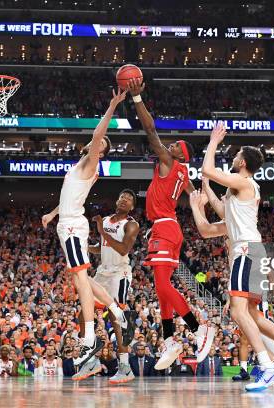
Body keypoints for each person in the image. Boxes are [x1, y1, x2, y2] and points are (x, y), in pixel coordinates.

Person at [191, 122, 274, 392]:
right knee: (249, 313)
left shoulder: (244, 182)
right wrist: (204, 193)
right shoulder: (238, 192)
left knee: (237, 310)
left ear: (242, 162)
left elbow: (208, 169)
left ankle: (269, 367)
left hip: (246, 251)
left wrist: (213, 142)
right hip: (250, 251)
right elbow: (222, 213)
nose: (232, 158)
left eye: (235, 156)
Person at [127, 77, 215, 371]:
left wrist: (137, 99)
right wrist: (202, 199)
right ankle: (168, 340)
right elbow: (194, 194)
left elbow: (150, 130)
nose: (171, 144)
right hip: (167, 227)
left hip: (165, 227)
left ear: (180, 155)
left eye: (175, 145)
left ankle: (197, 327)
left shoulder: (169, 163)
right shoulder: (183, 177)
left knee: (163, 286)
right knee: (160, 287)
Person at [41, 88, 130, 380]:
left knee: (80, 279)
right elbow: (69, 197)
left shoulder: (91, 161)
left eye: (100, 144)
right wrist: (52, 214)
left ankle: (90, 335)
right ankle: (116, 310)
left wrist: (112, 106)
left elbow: (98, 133)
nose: (95, 143)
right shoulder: (78, 167)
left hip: (72, 225)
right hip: (66, 221)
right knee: (86, 280)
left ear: (100, 151)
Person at [88, 189, 140, 384]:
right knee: (85, 309)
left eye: (129, 199)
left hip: (120, 271)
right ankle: (90, 359)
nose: (124, 200)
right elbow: (100, 248)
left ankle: (125, 366)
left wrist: (101, 231)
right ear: (117, 200)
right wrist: (84, 247)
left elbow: (123, 249)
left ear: (132, 207)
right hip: (103, 270)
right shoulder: (107, 219)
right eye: (122, 197)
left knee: (115, 316)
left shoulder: (131, 224)